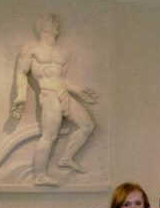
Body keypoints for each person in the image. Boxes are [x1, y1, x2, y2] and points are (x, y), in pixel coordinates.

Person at [11, 14, 96, 186]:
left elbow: (61, 78)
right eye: (52, 22)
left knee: (88, 126)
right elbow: (21, 73)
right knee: (50, 135)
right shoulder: (31, 48)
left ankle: (66, 158)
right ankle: (40, 176)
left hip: (64, 92)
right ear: (43, 27)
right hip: (48, 94)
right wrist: (21, 96)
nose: (57, 24)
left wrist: (79, 91)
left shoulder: (63, 52)